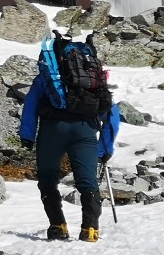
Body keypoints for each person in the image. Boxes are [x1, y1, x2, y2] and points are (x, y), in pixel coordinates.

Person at [18, 30, 121, 241]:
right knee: (87, 182)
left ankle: (58, 226)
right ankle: (90, 230)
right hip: (85, 131)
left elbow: (31, 106)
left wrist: (27, 136)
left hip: (52, 130)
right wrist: (105, 148)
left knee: (48, 178)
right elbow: (111, 114)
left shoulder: (48, 77)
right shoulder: (92, 78)